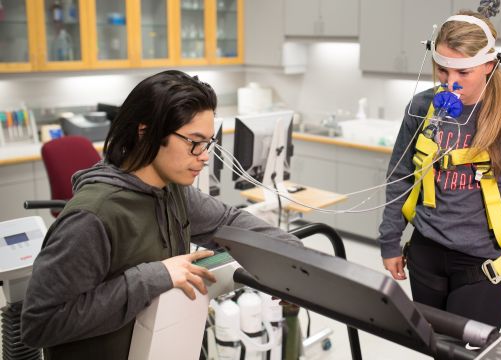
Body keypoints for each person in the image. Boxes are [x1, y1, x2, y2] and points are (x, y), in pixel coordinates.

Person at [21, 70, 301, 359]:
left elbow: (227, 222)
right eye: (194, 142)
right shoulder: (91, 218)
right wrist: (155, 276)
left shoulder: (172, 191)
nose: (204, 155)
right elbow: (39, 324)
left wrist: (293, 262)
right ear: (146, 134)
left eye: (208, 143)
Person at [377, 10, 501, 329]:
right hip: (426, 253)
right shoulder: (422, 108)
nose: (451, 83)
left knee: (466, 352)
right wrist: (390, 239)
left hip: (485, 262)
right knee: (433, 345)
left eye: (464, 72)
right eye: (443, 69)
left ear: (489, 64)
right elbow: (401, 175)